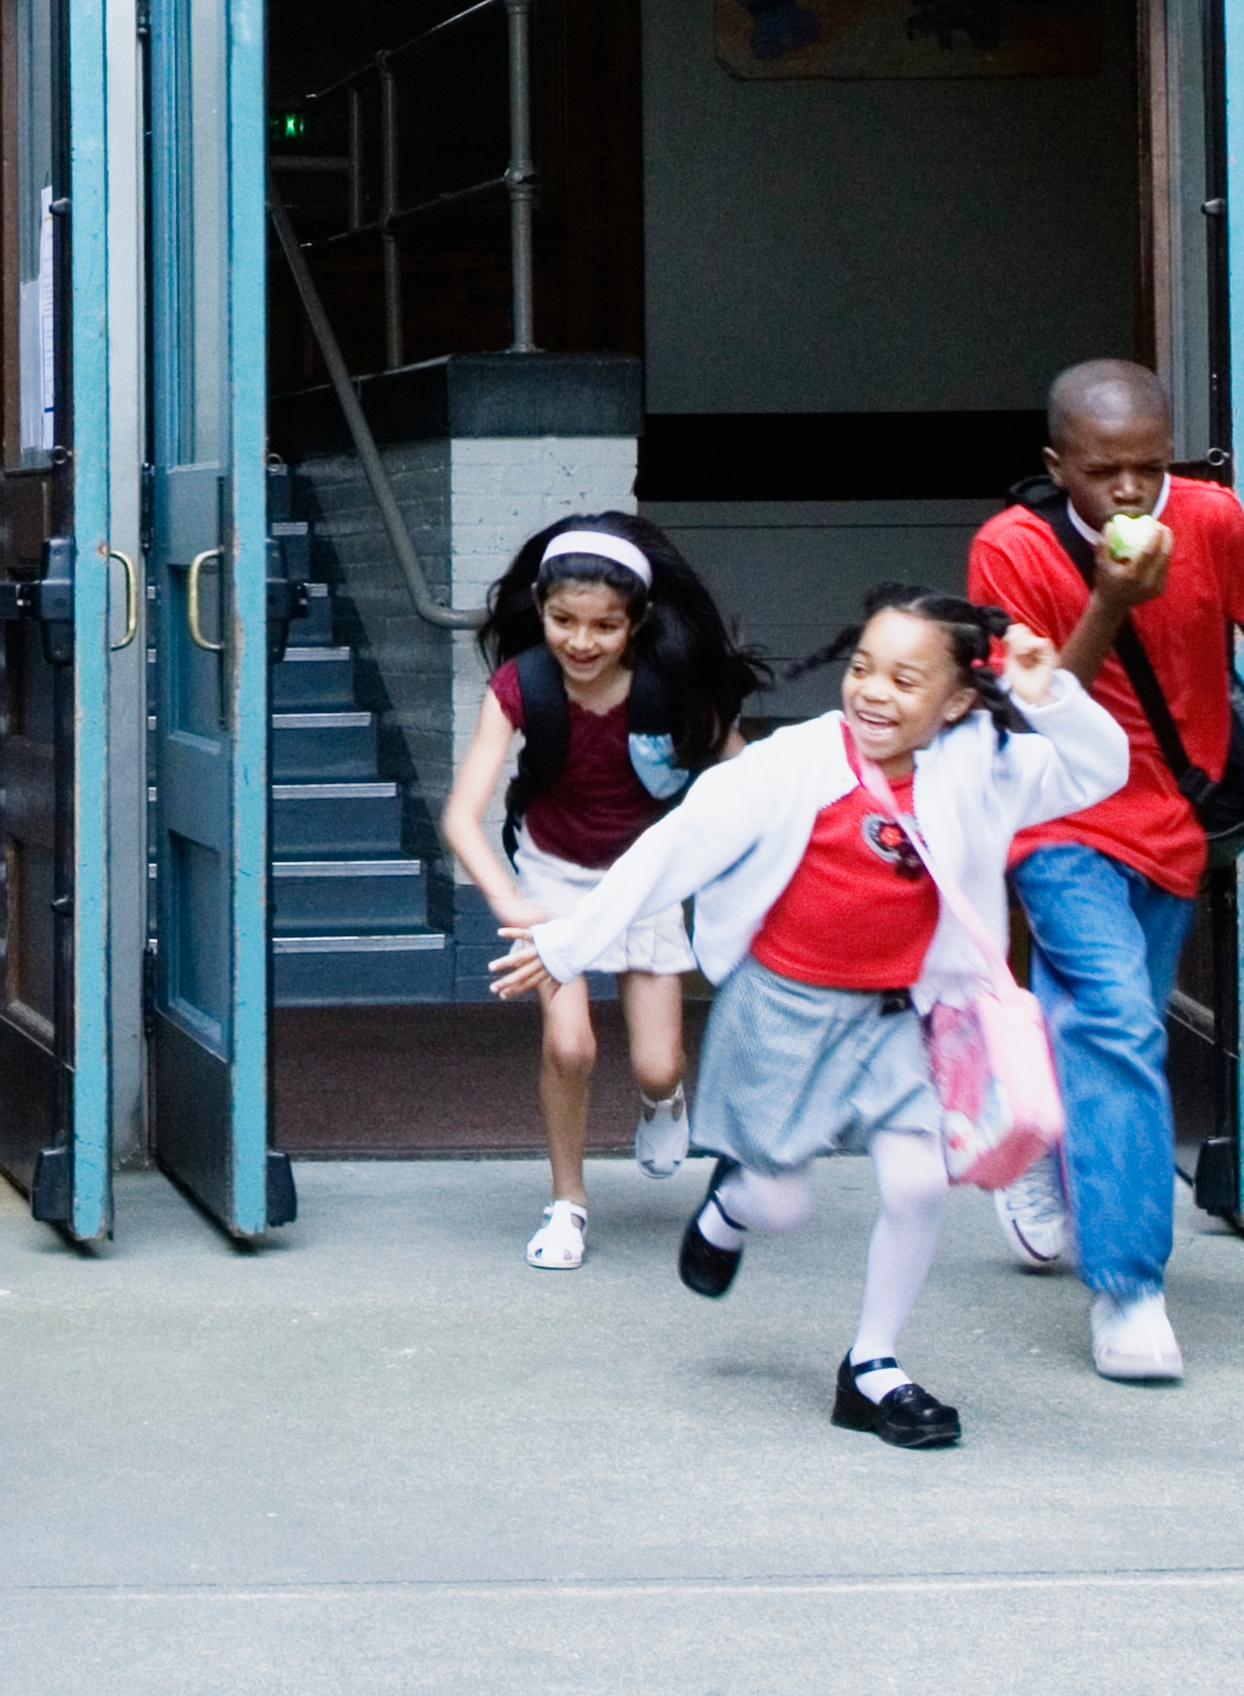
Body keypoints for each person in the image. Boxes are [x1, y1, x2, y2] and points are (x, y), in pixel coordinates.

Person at [496, 585, 1126, 1450]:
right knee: (783, 1206)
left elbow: (1101, 772)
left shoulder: (981, 764)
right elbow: (673, 853)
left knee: (915, 1182)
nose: (873, 692)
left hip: (897, 1019)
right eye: (862, 667)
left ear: (957, 703)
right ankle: (730, 1211)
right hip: (780, 1014)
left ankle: (872, 1368)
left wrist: (1049, 691)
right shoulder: (793, 764)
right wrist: (569, 942)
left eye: (907, 681)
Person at [967, 355, 1244, 1383]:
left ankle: (1053, 1153)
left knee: (1115, 1029)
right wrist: (1107, 601)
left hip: (1172, 822)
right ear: (1057, 464)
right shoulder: (1008, 552)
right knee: (1113, 1020)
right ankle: (1129, 1287)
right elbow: (1032, 704)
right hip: (1058, 823)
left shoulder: (1209, 515)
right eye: (1104, 471)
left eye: (1148, 467)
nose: (1131, 492)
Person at [437, 509, 757, 1267]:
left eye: (604, 626)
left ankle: (663, 1102)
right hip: (552, 876)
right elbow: (461, 815)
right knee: (572, 1044)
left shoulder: (673, 685)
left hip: (646, 877)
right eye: (562, 620)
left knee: (658, 1063)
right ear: (541, 613)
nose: (581, 642)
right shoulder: (521, 685)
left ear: (638, 623)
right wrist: (508, 900)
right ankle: (568, 1204)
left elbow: (746, 785)